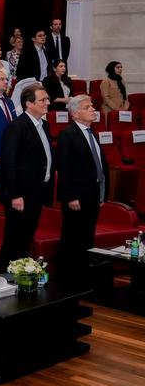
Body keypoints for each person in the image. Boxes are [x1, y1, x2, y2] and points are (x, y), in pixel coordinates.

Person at [0, 84, 54, 273]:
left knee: (26, 239)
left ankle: (21, 276)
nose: (47, 103)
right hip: (20, 195)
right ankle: (4, 277)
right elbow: (9, 163)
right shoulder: (17, 126)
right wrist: (15, 194)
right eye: (43, 100)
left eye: (47, 99)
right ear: (29, 104)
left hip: (37, 192)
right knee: (14, 240)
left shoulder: (44, 125)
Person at [55, 95, 108, 289]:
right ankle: (67, 281)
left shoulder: (92, 132)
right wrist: (70, 196)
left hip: (93, 194)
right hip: (76, 196)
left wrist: (102, 193)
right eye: (87, 107)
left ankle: (83, 279)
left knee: (87, 237)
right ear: (76, 113)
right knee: (72, 238)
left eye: (92, 106)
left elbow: (99, 165)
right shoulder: (67, 134)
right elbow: (64, 168)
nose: (93, 109)